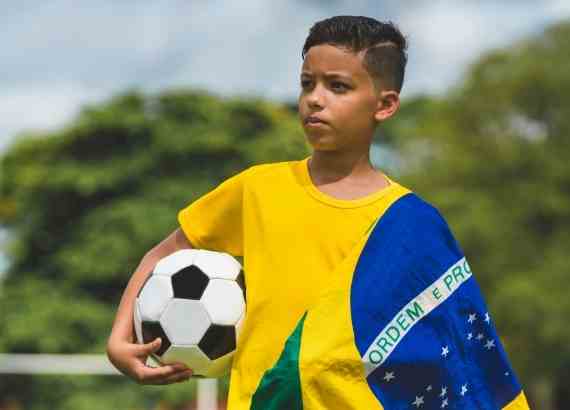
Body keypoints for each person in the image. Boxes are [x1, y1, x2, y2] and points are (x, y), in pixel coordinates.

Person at [107, 16, 529, 409]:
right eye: (307, 84)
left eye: (338, 86)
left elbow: (460, 347)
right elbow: (162, 255)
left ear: (384, 105)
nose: (315, 100)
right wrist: (119, 339)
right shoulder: (257, 188)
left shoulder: (412, 224)